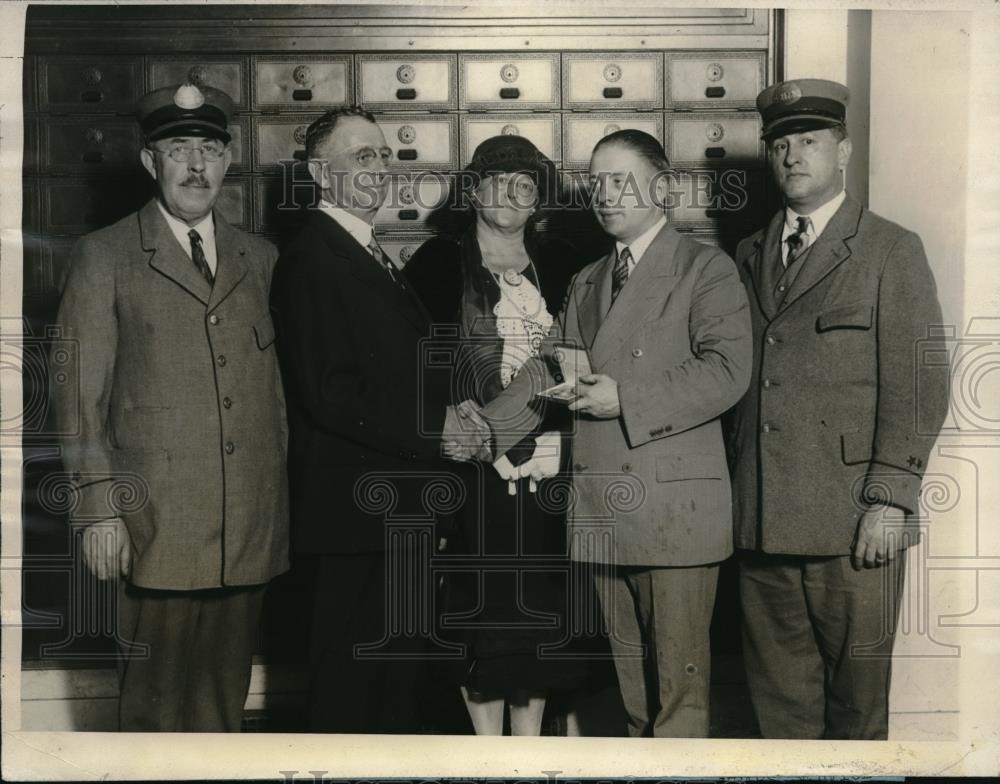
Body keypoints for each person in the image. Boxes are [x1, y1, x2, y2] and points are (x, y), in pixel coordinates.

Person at [475, 129, 753, 737]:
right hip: (603, 507)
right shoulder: (589, 278)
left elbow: (728, 370)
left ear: (663, 186)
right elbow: (549, 366)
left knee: (679, 699)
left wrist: (624, 398)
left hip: (674, 510)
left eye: (621, 180)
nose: (605, 195)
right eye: (596, 182)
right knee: (632, 692)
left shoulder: (705, 268)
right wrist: (481, 430)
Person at [50, 82, 289, 732]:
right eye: (178, 149)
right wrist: (99, 510)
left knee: (222, 712)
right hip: (153, 530)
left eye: (209, 149)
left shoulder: (259, 257)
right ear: (149, 162)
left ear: (228, 158)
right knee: (151, 716)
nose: (196, 166)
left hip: (245, 533)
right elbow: (78, 400)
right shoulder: (104, 257)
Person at [725, 78, 950, 739]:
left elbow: (921, 381)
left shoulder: (888, 249)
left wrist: (890, 498)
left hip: (853, 523)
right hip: (761, 519)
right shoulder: (747, 252)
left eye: (811, 141)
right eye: (782, 144)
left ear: (844, 151)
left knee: (856, 712)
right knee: (777, 713)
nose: (794, 156)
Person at [269, 106, 486, 734]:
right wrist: (436, 428)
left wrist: (454, 407)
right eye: (363, 157)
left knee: (396, 690)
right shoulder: (313, 256)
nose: (382, 168)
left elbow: (392, 370)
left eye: (384, 156)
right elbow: (329, 392)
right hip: (354, 518)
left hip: (393, 510)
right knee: (352, 691)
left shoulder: (362, 249)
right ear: (319, 173)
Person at [404, 135, 591, 736]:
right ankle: (487, 750)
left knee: (537, 603)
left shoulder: (563, 263)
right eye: (495, 180)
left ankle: (530, 747)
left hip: (546, 466)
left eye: (525, 184)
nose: (510, 193)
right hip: (470, 470)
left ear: (538, 199)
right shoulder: (437, 265)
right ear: (473, 190)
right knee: (478, 606)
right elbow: (414, 366)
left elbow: (586, 354)